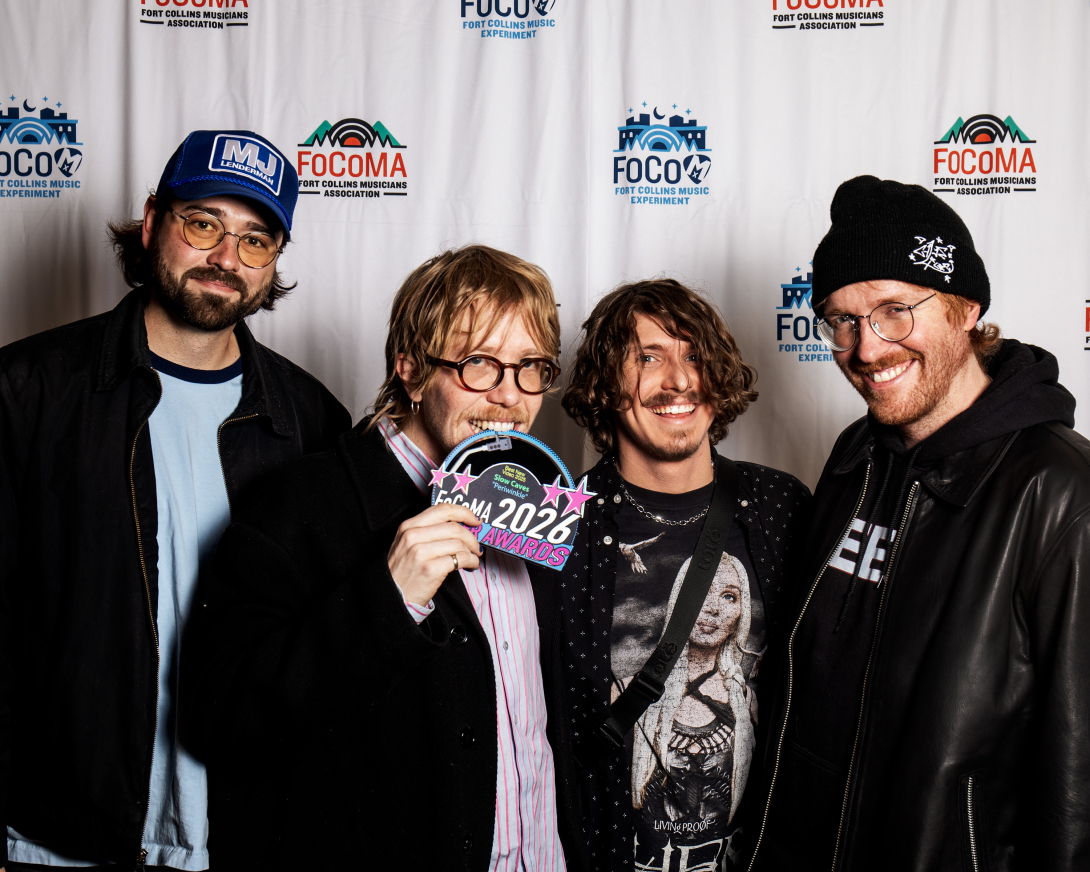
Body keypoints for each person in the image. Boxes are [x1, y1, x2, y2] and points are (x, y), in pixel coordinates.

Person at [0, 129, 350, 871]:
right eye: (204, 225)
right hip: (57, 832)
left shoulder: (313, 421)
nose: (227, 257)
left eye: (256, 239)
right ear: (155, 221)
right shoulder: (27, 393)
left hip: (248, 829)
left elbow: (328, 649)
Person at [182, 245, 575, 871]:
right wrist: (388, 601)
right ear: (412, 371)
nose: (508, 397)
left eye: (531, 368)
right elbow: (222, 721)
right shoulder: (302, 504)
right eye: (479, 365)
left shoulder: (541, 508)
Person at [748, 176, 1090, 872]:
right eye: (841, 319)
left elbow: (1077, 781)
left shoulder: (1060, 491)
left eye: (893, 311)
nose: (865, 349)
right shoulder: (856, 455)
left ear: (966, 308)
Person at [542, 280, 811, 872]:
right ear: (607, 384)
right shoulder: (560, 526)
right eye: (649, 357)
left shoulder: (780, 508)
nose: (681, 380)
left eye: (695, 356)